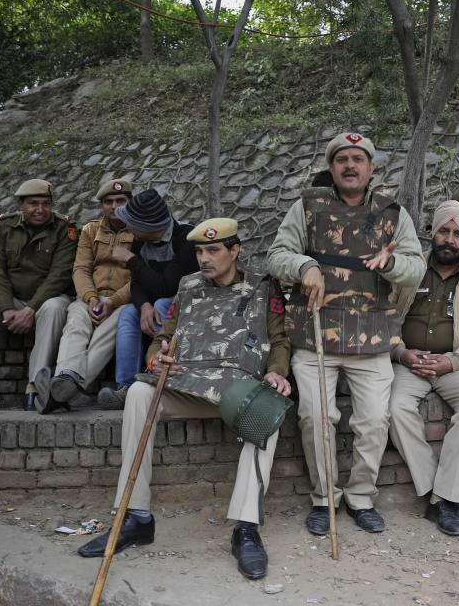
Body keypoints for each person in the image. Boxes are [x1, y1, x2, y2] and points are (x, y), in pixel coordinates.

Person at [77, 218, 291, 580]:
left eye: (213, 251)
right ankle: (136, 517)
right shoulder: (188, 285)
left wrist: (277, 371)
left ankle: (246, 528)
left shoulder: (261, 286)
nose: (204, 259)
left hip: (237, 386)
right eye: (199, 252)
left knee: (267, 407)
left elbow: (280, 338)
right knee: (141, 392)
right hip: (187, 383)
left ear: (235, 250)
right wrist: (156, 359)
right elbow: (165, 336)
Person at [267, 132, 425, 535]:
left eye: (358, 159)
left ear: (371, 168)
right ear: (332, 167)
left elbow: (416, 267)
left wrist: (390, 266)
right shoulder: (308, 206)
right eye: (342, 160)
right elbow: (276, 256)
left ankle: (359, 496)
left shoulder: (393, 212)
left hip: (372, 338)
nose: (350, 166)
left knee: (374, 421)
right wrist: (305, 266)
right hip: (316, 334)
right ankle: (324, 498)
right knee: (315, 418)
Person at [389, 200, 459, 535]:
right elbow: (383, 317)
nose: (449, 239)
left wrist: (453, 361)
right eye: (444, 231)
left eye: (457, 234)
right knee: (394, 406)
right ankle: (439, 495)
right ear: (433, 232)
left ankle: (446, 497)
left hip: (457, 364)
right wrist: (401, 354)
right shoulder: (408, 271)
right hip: (410, 361)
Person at [0, 179, 76, 411]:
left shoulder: (64, 228)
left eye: (46, 203)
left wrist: (30, 309)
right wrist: (7, 308)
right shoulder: (3, 226)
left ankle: (35, 388)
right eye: (33, 203)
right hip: (9, 300)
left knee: (56, 308)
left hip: (44, 299)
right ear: (20, 204)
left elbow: (60, 275)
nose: (40, 210)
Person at [33, 178, 135, 414]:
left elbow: (139, 277)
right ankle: (68, 379)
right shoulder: (90, 230)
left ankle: (63, 388)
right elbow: (81, 269)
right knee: (76, 321)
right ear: (101, 205)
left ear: (130, 202)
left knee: (110, 330)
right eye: (108, 202)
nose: (114, 206)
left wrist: (112, 302)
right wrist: (90, 299)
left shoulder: (139, 230)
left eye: (120, 200)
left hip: (122, 300)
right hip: (90, 296)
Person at [99, 189, 197, 409]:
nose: (127, 227)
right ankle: (126, 387)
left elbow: (168, 286)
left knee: (163, 304)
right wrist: (143, 305)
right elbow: (137, 282)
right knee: (128, 313)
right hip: (151, 302)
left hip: (186, 305)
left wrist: (132, 260)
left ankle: (156, 379)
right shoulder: (139, 240)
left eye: (131, 223)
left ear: (147, 228)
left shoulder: (186, 239)